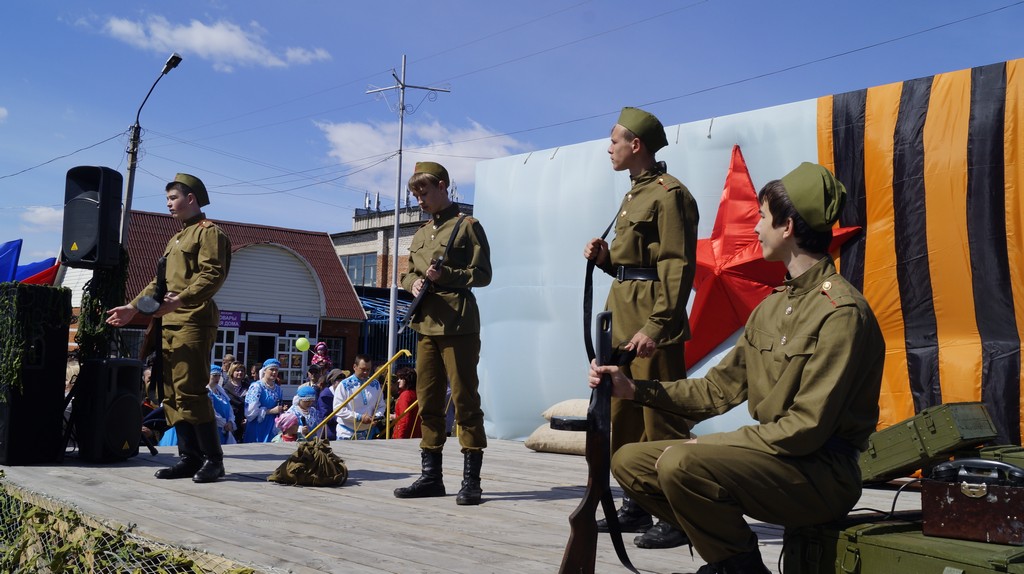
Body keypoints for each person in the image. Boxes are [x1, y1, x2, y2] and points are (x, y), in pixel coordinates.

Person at [591, 163, 885, 573]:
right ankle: (738, 562)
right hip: (773, 462)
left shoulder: (841, 314)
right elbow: (715, 390)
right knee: (630, 462)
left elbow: (805, 428)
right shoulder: (771, 307)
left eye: (763, 218)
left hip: (821, 474)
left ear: (787, 227)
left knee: (681, 463)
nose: (755, 229)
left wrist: (704, 447)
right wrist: (632, 389)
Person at [581, 106, 699, 547]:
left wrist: (657, 325)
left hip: (651, 323)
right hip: (623, 316)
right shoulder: (634, 194)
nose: (608, 148)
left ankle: (676, 514)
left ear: (636, 145)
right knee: (624, 419)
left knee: (661, 421)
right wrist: (604, 259)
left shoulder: (670, 194)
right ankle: (638, 503)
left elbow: (675, 266)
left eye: (614, 140)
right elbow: (634, 266)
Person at [106, 173, 231, 484]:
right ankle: (190, 458)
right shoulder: (175, 239)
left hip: (193, 319)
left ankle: (214, 460)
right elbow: (157, 285)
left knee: (190, 390)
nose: (169, 205)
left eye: (173, 198)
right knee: (171, 392)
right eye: (167, 200)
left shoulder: (209, 233)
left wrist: (181, 300)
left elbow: (212, 275)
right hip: (168, 321)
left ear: (191, 199)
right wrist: (132, 307)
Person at [393, 161, 492, 506]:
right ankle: (431, 476)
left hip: (458, 324)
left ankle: (471, 480)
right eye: (415, 194)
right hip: (426, 324)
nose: (420, 200)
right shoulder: (421, 234)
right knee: (429, 399)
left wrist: (445, 274)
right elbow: (405, 275)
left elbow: (482, 275)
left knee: (464, 399)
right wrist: (413, 282)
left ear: (442, 186)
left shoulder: (466, 227)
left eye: (424, 192)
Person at [333, 355, 386, 440]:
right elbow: (338, 409)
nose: (365, 373)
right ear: (355, 367)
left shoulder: (375, 384)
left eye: (368, 370)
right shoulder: (344, 385)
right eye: (363, 369)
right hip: (347, 433)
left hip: (368, 433)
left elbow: (381, 405)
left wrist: (376, 417)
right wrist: (359, 417)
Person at [243, 358, 287, 443]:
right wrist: (270, 411)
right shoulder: (257, 387)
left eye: (276, 370)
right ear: (264, 371)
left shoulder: (278, 389)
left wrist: (281, 409)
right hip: (258, 426)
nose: (274, 372)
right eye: (271, 369)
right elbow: (250, 413)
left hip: (272, 426)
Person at [207, 365, 237, 444]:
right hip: (213, 428)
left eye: (219, 376)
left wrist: (230, 422)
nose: (217, 378)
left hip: (225, 429)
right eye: (214, 376)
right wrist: (224, 423)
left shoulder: (221, 391)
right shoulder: (207, 392)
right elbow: (210, 411)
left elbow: (230, 409)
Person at [391, 366, 422, 439]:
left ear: (407, 380)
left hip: (405, 434)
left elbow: (404, 419)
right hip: (416, 433)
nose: (398, 381)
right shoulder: (416, 393)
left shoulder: (405, 395)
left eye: (401, 379)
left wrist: (400, 437)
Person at [222, 361, 248, 442]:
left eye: (242, 371)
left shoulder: (248, 386)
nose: (240, 372)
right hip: (232, 420)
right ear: (232, 372)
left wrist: (247, 418)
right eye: (237, 370)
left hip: (244, 420)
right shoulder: (226, 388)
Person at [317, 368, 345, 440]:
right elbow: (325, 417)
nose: (342, 383)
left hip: (342, 429)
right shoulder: (325, 395)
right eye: (339, 380)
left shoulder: (344, 393)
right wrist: (342, 415)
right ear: (333, 382)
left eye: (343, 380)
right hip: (329, 433)